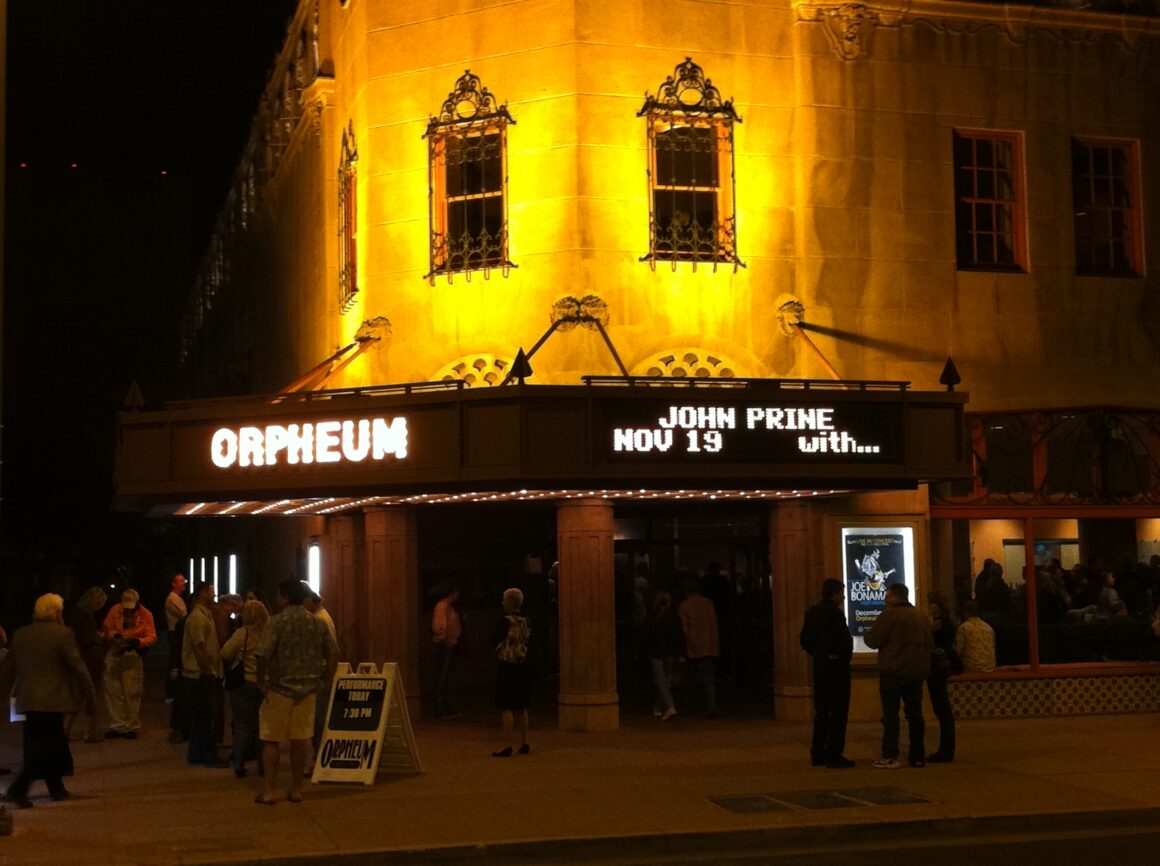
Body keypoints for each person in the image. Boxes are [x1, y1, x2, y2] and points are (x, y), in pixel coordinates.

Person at [0, 594, 96, 808]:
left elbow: (8, 670)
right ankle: (19, 789)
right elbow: (78, 668)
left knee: (44, 744)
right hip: (53, 700)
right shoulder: (62, 635)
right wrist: (90, 696)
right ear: (57, 612)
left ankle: (56, 788)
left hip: (29, 700)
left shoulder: (21, 634)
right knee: (46, 747)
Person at [254, 579, 338, 805]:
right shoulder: (316, 622)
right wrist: (326, 679)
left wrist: (262, 681)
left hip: (280, 687)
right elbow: (332, 653)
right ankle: (297, 788)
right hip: (308, 688)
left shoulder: (277, 622)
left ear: (284, 597)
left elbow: (262, 653)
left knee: (271, 738)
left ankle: (271, 789)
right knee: (301, 739)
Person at [864, 583, 933, 769]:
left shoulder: (890, 616)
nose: (885, 599)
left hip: (893, 672)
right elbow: (930, 645)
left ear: (896, 597)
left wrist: (867, 634)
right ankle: (917, 756)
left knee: (891, 716)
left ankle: (890, 755)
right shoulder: (921, 617)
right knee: (915, 716)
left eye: (888, 595)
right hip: (916, 672)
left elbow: (873, 640)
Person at [799, 578, 854, 768]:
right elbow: (845, 643)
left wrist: (818, 653)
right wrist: (841, 658)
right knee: (838, 712)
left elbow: (804, 640)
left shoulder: (811, 612)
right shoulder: (836, 614)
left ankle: (817, 752)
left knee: (821, 710)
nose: (844, 597)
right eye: (841, 593)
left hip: (820, 665)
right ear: (834, 593)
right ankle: (833, 753)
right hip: (837, 667)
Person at [98, 588, 157, 739]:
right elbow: (107, 628)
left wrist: (137, 641)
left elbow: (151, 636)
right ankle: (118, 725)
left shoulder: (145, 614)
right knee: (113, 691)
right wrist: (115, 636)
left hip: (132, 655)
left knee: (132, 692)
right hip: (115, 652)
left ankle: (131, 726)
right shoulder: (115, 611)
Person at [221, 599, 269, 778]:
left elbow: (225, 652)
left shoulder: (243, 633)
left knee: (242, 725)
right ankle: (264, 766)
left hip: (243, 683)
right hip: (263, 684)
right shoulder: (269, 633)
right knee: (261, 727)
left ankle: (239, 765)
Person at [183, 582, 227, 767]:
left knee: (202, 717)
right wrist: (208, 673)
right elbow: (199, 648)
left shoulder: (204, 616)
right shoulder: (198, 618)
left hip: (203, 674)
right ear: (202, 594)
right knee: (207, 716)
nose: (214, 596)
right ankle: (208, 755)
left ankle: (197, 755)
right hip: (200, 675)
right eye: (211, 592)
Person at [490, 588, 532, 757]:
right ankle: (525, 742)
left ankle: (506, 744)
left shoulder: (506, 621)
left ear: (509, 602)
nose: (502, 603)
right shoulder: (526, 621)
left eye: (503, 600)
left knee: (506, 706)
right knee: (521, 706)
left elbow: (492, 639)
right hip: (522, 665)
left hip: (507, 665)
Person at [68, 586, 108, 743]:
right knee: (91, 693)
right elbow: (89, 638)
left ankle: (66, 728)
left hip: (81, 655)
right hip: (92, 657)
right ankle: (89, 731)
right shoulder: (87, 615)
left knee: (78, 694)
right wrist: (101, 637)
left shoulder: (76, 613)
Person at [303, 587, 338, 759]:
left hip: (321, 674)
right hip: (320, 673)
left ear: (310, 600)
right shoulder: (319, 618)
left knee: (319, 720)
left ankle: (321, 758)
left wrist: (328, 677)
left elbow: (331, 651)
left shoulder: (321, 620)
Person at [678, 577, 720, 718]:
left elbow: (684, 629)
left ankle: (689, 706)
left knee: (689, 679)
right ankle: (712, 706)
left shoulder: (684, 605)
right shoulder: (708, 603)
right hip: (710, 644)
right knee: (709, 678)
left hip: (693, 645)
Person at [925, 590, 960, 763]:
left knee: (942, 708)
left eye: (931, 603)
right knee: (942, 708)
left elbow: (934, 641)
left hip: (937, 667)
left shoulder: (940, 623)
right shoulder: (948, 622)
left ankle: (946, 750)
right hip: (942, 666)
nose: (929, 607)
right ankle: (946, 749)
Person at [641, 590, 683, 721]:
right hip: (669, 652)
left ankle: (669, 707)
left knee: (660, 681)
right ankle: (660, 705)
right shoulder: (674, 615)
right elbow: (678, 635)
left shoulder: (651, 616)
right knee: (666, 680)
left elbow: (645, 635)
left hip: (656, 652)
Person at [431, 580, 463, 719]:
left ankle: (445, 705)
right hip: (444, 646)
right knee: (441, 676)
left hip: (448, 645)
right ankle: (440, 707)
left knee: (445, 676)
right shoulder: (442, 607)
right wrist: (446, 638)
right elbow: (438, 627)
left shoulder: (448, 607)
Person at [165, 573, 189, 744]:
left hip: (176, 631)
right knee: (174, 659)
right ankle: (170, 690)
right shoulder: (173, 599)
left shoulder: (177, 598)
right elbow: (183, 615)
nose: (183, 583)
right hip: (175, 632)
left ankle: (171, 690)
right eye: (180, 581)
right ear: (173, 583)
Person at [955, 600, 996, 672]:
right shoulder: (988, 627)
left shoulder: (964, 627)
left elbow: (958, 651)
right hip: (990, 666)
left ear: (965, 612)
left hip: (972, 667)